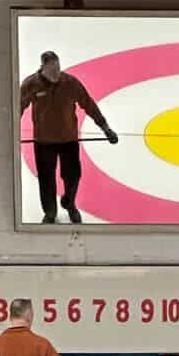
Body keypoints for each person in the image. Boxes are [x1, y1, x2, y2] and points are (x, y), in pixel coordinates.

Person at [18, 50, 118, 226]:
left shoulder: (70, 83)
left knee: (73, 176)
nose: (57, 73)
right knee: (46, 180)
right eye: (52, 70)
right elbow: (17, 108)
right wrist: (9, 132)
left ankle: (69, 202)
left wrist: (105, 128)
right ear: (43, 68)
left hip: (69, 139)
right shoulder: (31, 84)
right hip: (44, 142)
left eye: (58, 69)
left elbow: (88, 104)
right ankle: (50, 212)